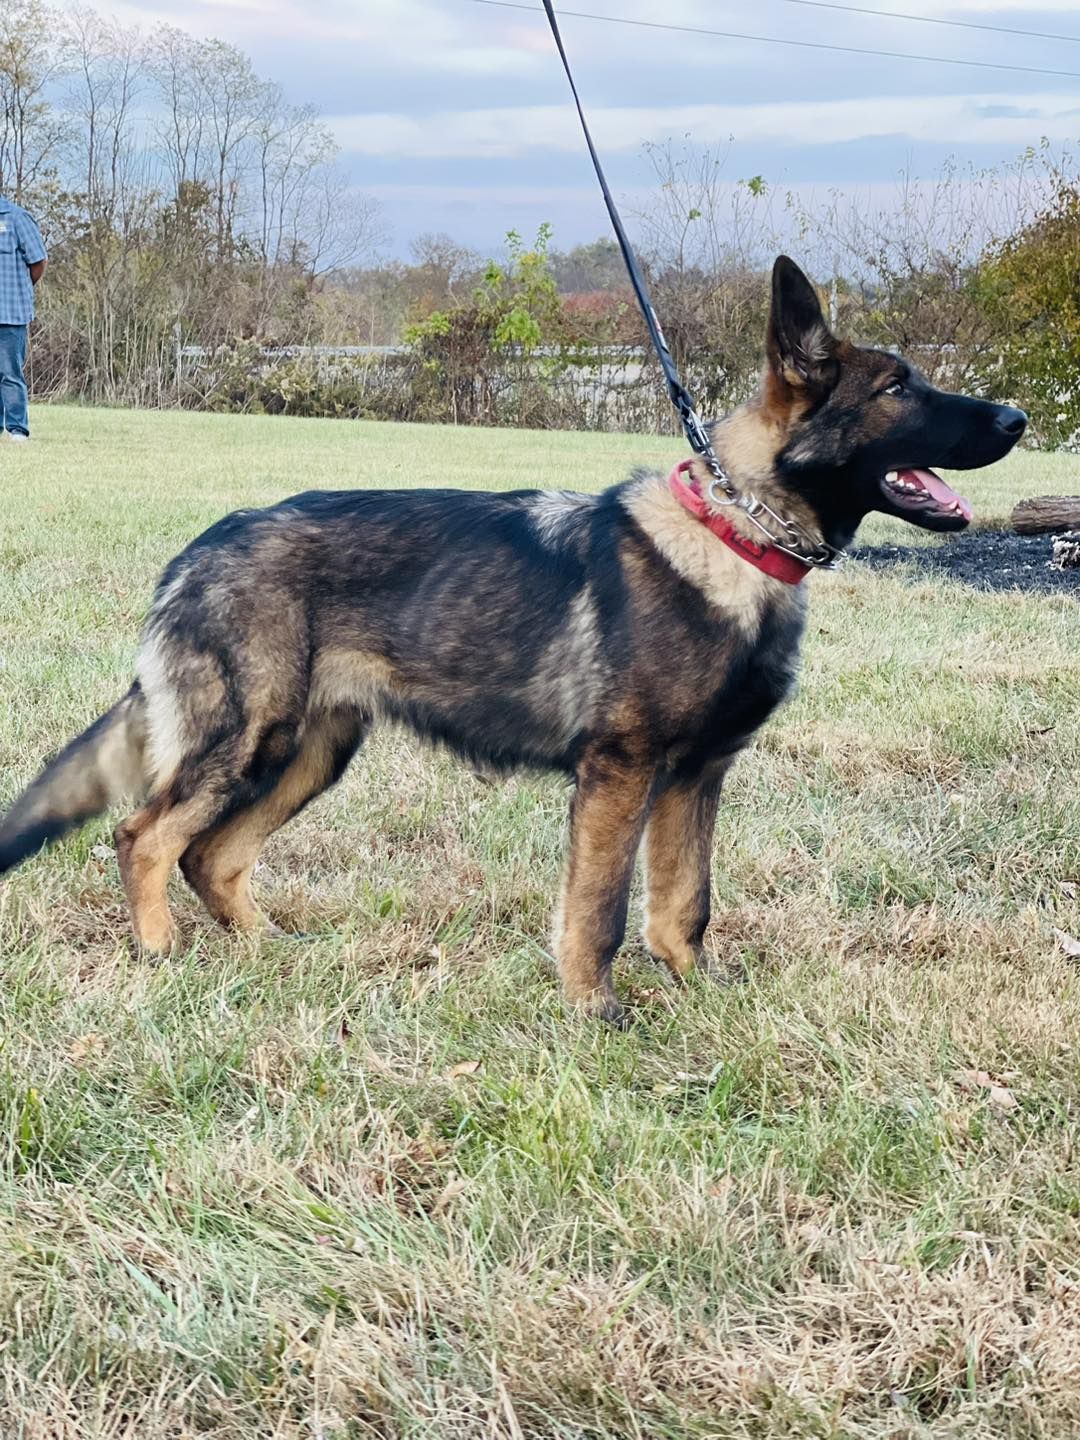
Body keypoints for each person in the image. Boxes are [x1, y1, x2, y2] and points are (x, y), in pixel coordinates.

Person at [0, 193, 47, 443]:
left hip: (10, 313)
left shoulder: (17, 218)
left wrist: (21, 289)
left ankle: (17, 428)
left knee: (10, 373)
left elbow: (39, 261)